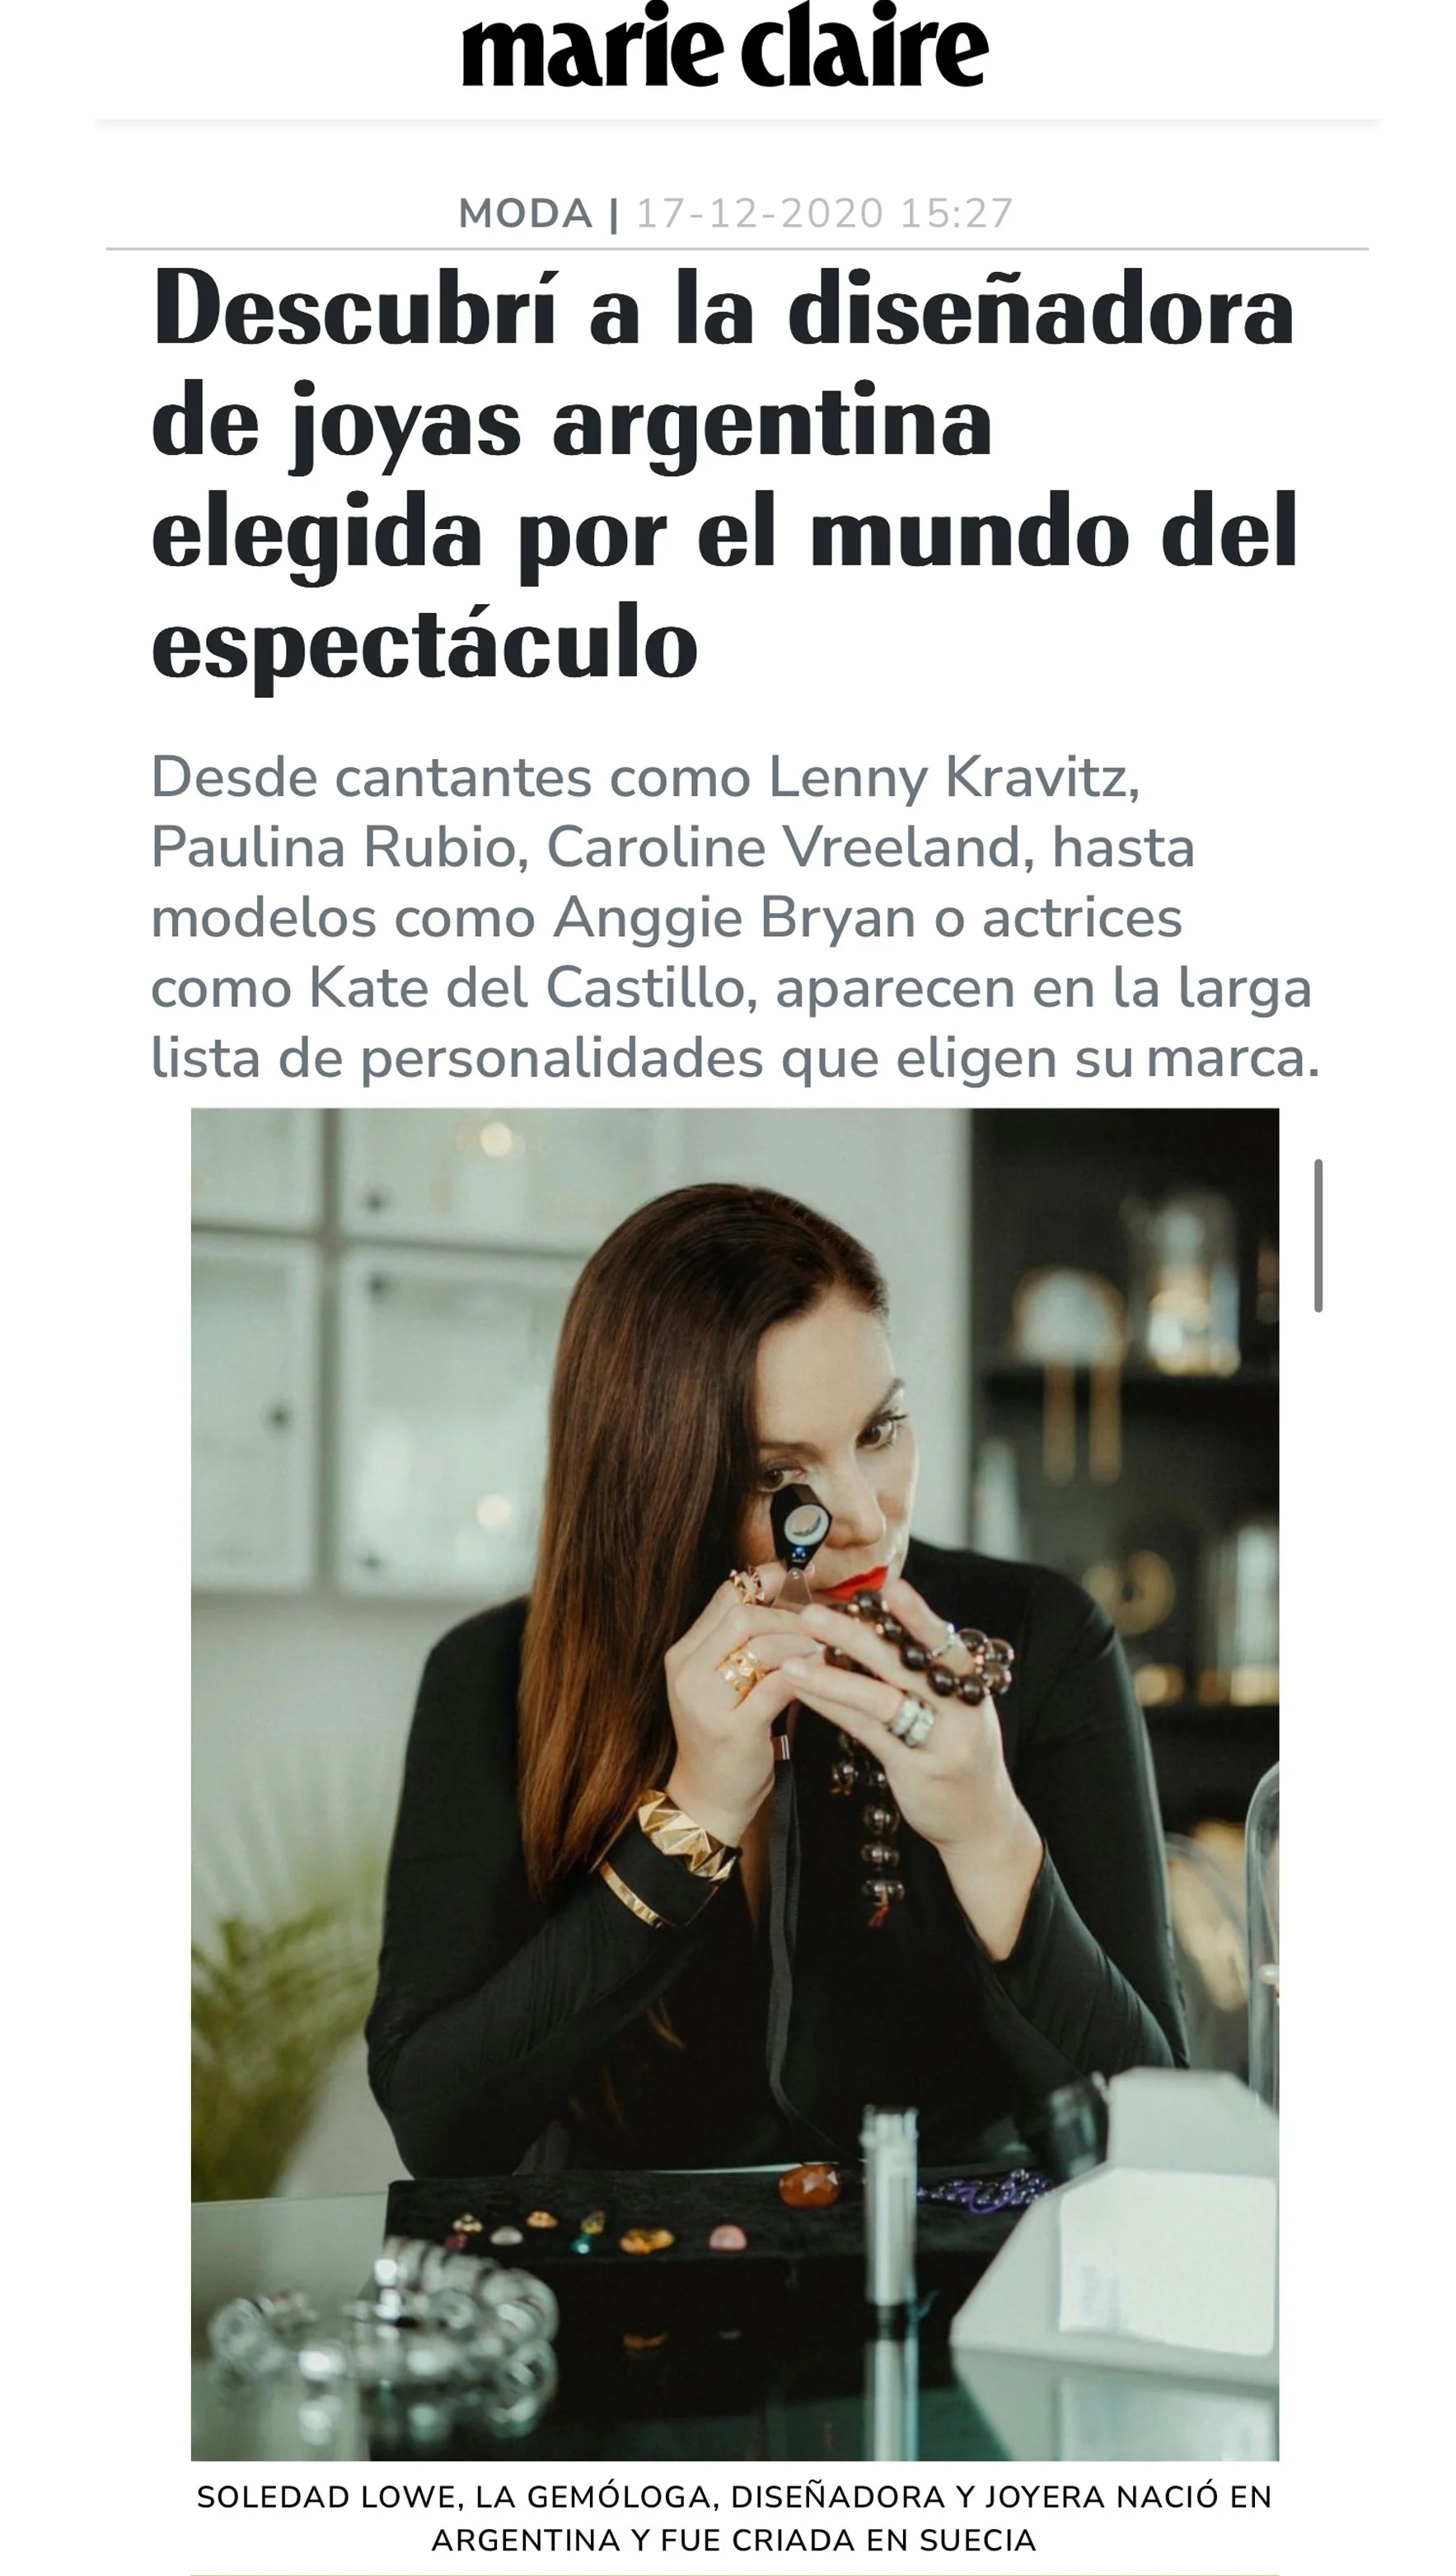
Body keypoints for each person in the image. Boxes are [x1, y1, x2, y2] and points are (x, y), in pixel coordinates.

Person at [368, 1183, 1187, 2177]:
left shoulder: (1037, 1640)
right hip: (620, 2301)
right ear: (658, 1484)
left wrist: (985, 1831)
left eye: (879, 1433)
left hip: (962, 2297)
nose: (865, 1519)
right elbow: (442, 2128)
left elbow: (1152, 2126)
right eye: (777, 1477)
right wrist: (694, 1816)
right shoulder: (494, 1676)